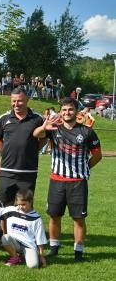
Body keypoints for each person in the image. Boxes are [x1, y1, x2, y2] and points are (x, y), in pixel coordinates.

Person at [33, 97, 102, 262]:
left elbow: (97, 156)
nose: (67, 112)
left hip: (77, 182)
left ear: (76, 112)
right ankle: (54, 247)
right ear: (60, 111)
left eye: (70, 109)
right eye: (64, 110)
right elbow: (36, 134)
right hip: (56, 180)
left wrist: (83, 169)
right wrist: (44, 126)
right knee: (54, 215)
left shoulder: (87, 131)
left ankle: (78, 250)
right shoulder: (54, 128)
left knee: (78, 218)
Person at [0, 88, 44, 206]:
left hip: (28, 171)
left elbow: (45, 137)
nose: (16, 104)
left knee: (25, 207)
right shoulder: (4, 118)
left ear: (27, 100)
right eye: (13, 101)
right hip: (7, 171)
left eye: (19, 101)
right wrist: (4, 151)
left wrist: (34, 149)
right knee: (4, 206)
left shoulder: (38, 118)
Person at [0, 189, 47, 268]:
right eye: (18, 204)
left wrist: (41, 256)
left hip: (28, 245)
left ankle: (24, 255)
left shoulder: (36, 218)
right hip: (14, 242)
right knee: (5, 237)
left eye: (23, 204)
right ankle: (15, 257)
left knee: (33, 266)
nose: (20, 207)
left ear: (30, 202)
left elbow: (40, 239)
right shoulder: (12, 210)